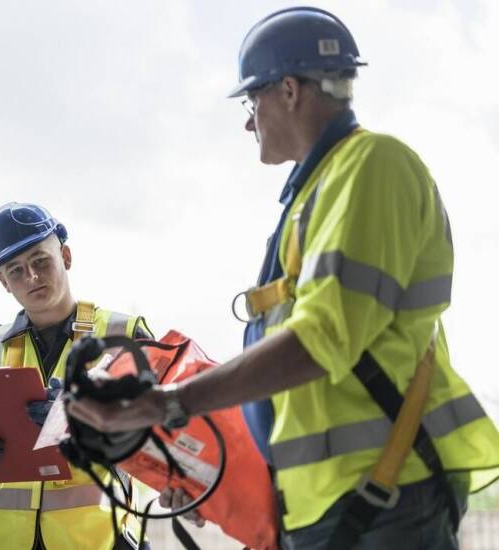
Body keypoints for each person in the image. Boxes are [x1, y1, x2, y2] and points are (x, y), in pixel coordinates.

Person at [67, 7, 499, 550]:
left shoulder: (371, 166)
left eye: (253, 101)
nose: (249, 121)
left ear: (290, 91)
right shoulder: (316, 191)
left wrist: (171, 403)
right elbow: (300, 387)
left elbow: (320, 342)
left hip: (386, 495)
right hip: (325, 502)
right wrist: (195, 468)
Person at [0, 202, 154, 550]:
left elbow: (165, 436)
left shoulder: (122, 334)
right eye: (15, 270)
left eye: (40, 261)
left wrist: (85, 418)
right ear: (2, 282)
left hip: (99, 541)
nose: (31, 277)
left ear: (65, 256)